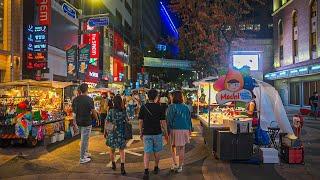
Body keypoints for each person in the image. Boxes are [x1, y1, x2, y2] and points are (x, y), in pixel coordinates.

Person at [139, 89, 168, 180]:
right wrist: (166, 132)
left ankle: (146, 171)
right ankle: (156, 167)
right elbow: (163, 121)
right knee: (157, 151)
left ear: (148, 97)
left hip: (147, 133)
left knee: (147, 153)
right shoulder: (160, 107)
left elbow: (140, 121)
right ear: (156, 97)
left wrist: (141, 131)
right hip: (157, 133)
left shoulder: (143, 107)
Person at [72, 83, 99, 164]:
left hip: (78, 121)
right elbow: (93, 111)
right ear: (87, 89)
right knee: (84, 139)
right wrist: (97, 119)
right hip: (87, 122)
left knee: (85, 139)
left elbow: (74, 113)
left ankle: (86, 153)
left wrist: (74, 123)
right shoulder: (89, 99)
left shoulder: (75, 99)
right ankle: (82, 157)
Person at [166, 90, 192, 173]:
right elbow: (189, 120)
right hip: (184, 129)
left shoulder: (171, 107)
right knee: (182, 148)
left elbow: (169, 120)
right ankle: (180, 166)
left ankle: (175, 164)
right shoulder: (186, 107)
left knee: (173, 147)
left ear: (173, 97)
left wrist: (167, 130)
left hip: (174, 129)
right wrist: (190, 129)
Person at [104, 95, 127, 175]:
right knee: (122, 150)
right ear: (121, 102)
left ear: (113, 102)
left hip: (112, 133)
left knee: (112, 150)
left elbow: (107, 122)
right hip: (121, 133)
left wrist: (105, 131)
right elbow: (127, 121)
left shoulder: (111, 111)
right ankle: (122, 168)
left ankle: (113, 164)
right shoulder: (123, 111)